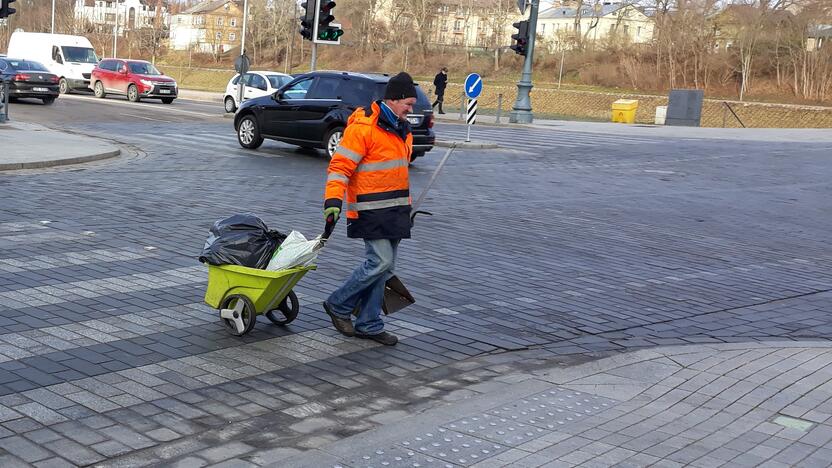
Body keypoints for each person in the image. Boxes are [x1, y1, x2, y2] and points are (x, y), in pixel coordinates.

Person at [321, 72, 418, 347]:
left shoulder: (402, 128)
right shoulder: (364, 127)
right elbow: (340, 167)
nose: (411, 109)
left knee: (384, 270)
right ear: (394, 99)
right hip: (370, 209)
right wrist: (333, 201)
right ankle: (338, 304)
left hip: (396, 209)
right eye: (408, 103)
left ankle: (369, 323)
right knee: (380, 263)